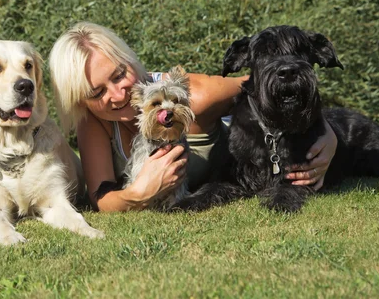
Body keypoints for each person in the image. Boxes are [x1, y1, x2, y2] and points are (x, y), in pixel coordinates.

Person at [49, 22, 337, 212]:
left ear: (129, 59)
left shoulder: (197, 95)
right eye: (97, 92)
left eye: (119, 74)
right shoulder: (95, 120)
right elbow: (100, 197)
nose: (118, 93)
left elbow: (272, 86)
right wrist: (137, 194)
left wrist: (328, 133)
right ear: (81, 99)